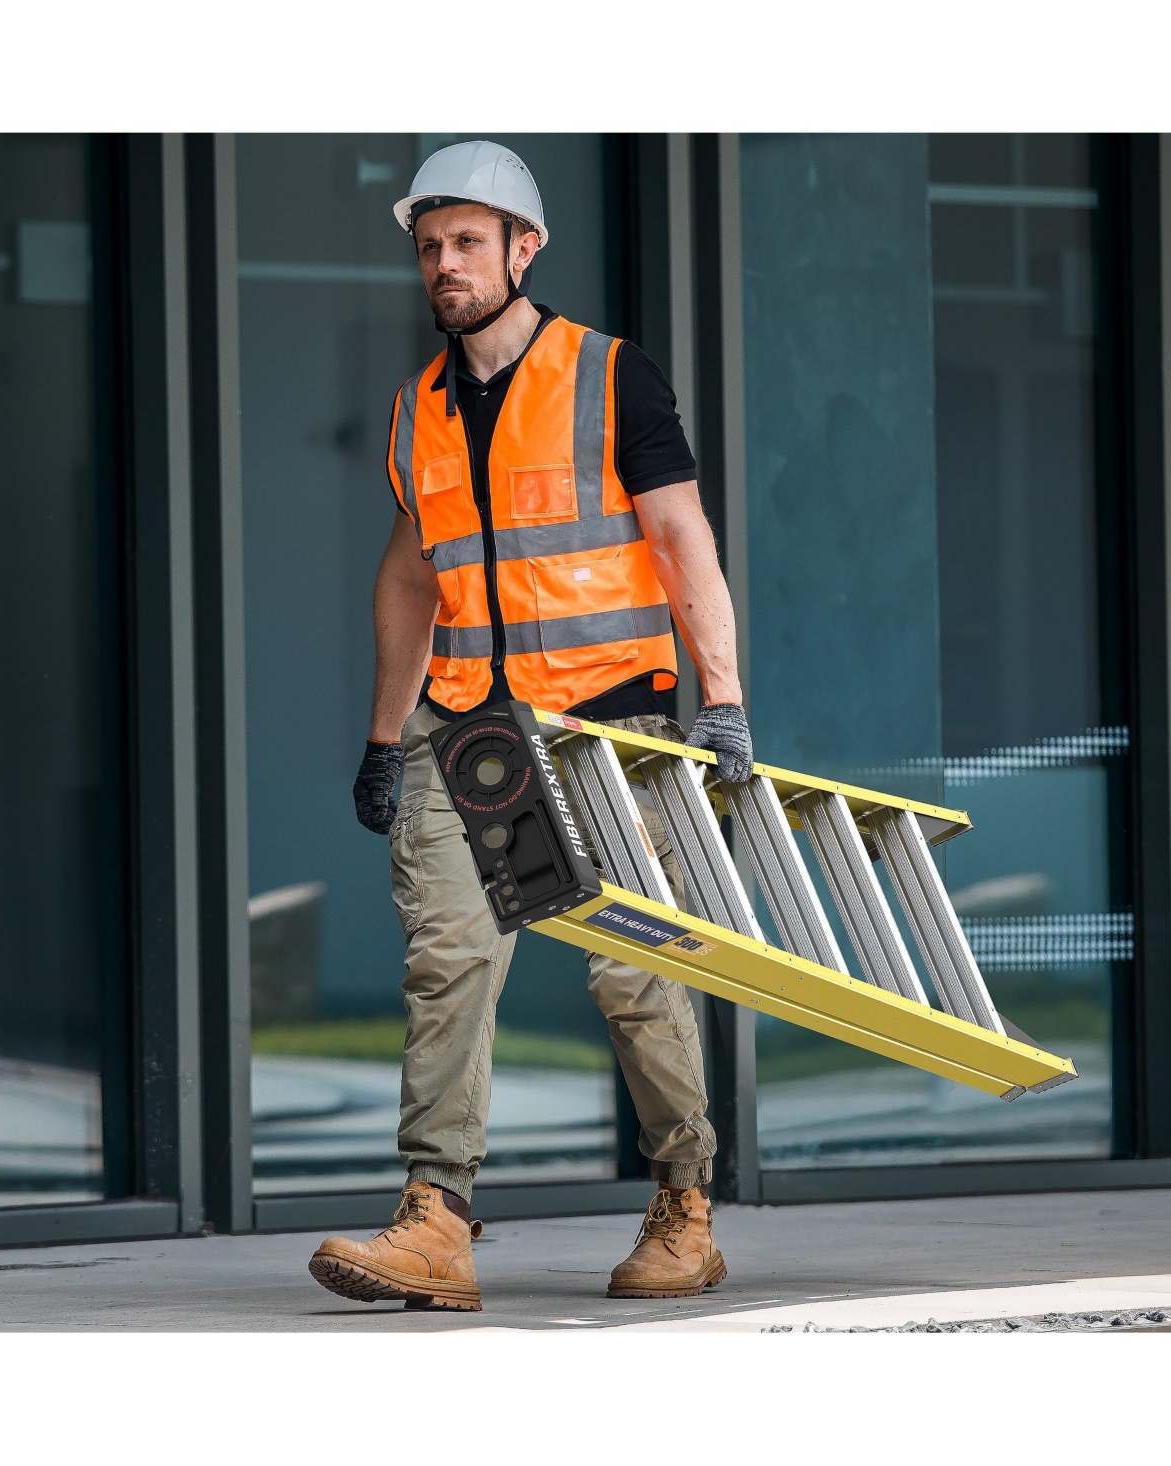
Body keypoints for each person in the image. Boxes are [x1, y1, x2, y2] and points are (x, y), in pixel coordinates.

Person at [308, 140, 753, 1313]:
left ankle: (684, 1199)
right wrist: (378, 736)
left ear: (524, 247)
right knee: (449, 956)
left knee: (634, 969)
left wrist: (724, 699)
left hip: (608, 721)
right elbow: (411, 578)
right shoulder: (419, 410)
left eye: (465, 242)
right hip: (464, 729)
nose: (444, 265)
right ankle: (435, 1216)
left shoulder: (613, 376)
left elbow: (681, 539)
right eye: (428, 247)